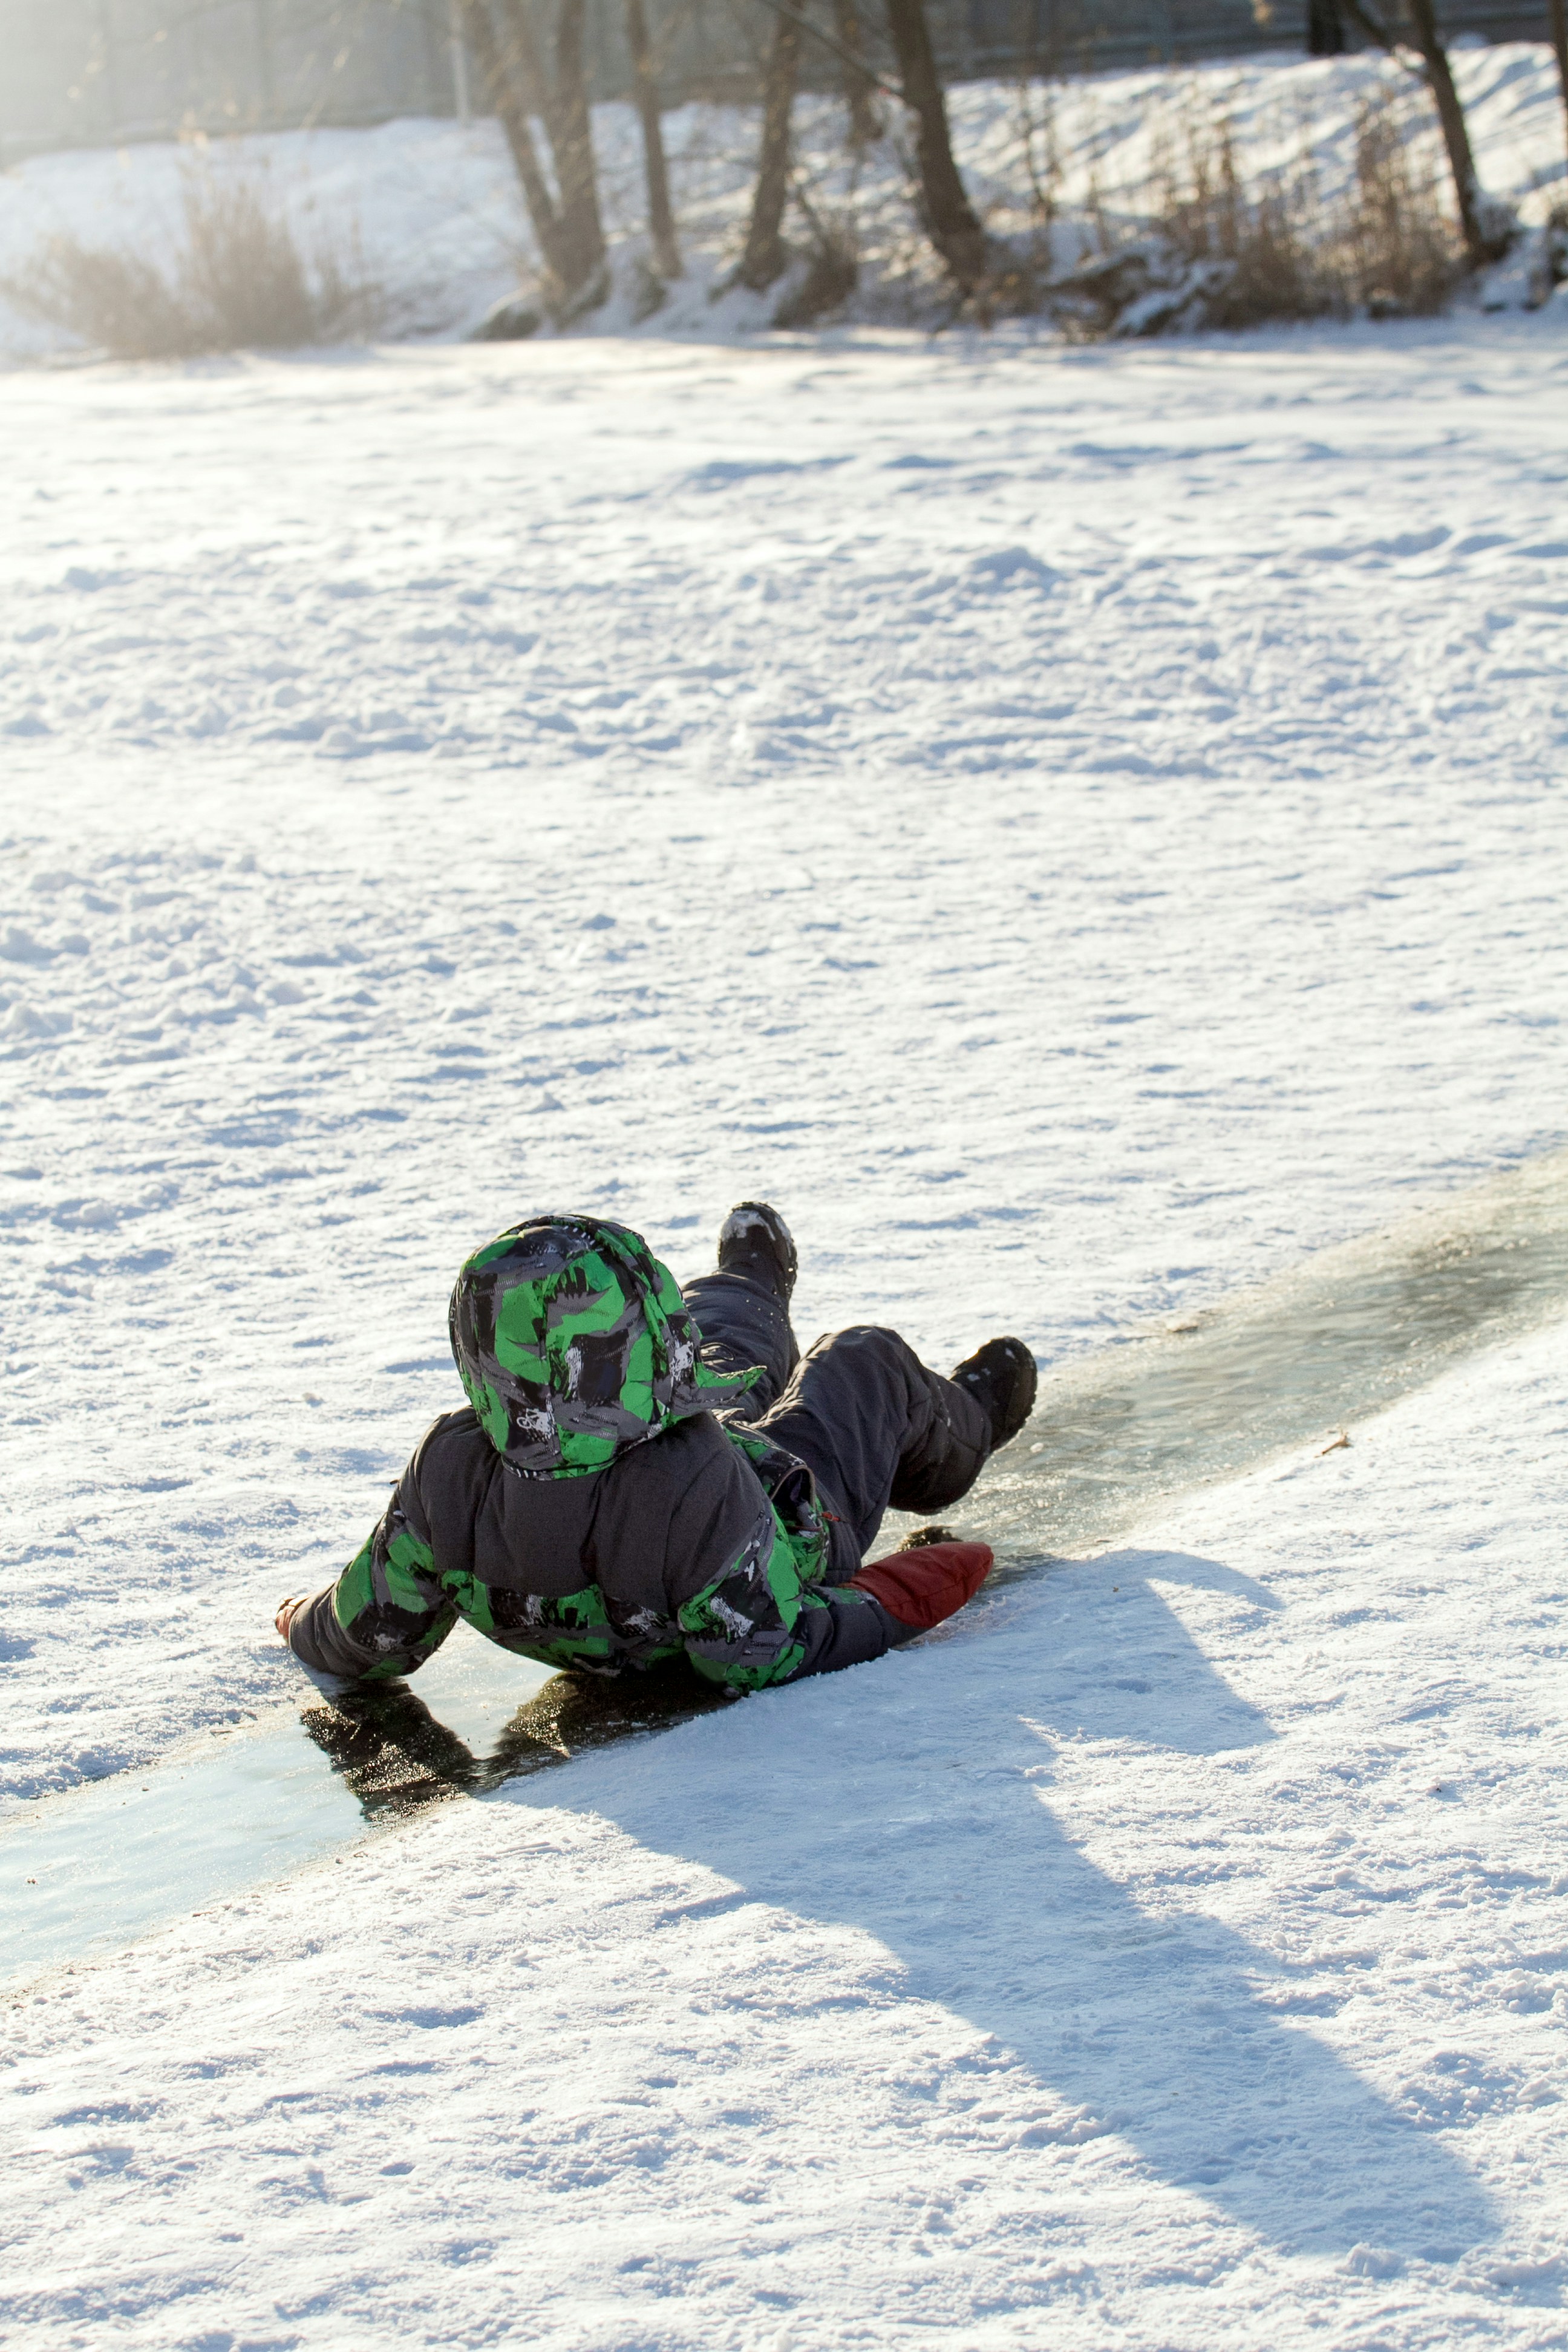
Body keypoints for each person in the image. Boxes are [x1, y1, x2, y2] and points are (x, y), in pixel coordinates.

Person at [275, 1204, 1037, 1696]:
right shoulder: (691, 1486)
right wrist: (904, 1590)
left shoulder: (451, 1471)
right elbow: (764, 1649)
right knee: (862, 1365)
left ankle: (744, 1285)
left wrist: (301, 1621)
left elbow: (367, 1632)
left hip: (678, 1463)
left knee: (719, 1363)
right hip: (789, 1517)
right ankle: (965, 1419)